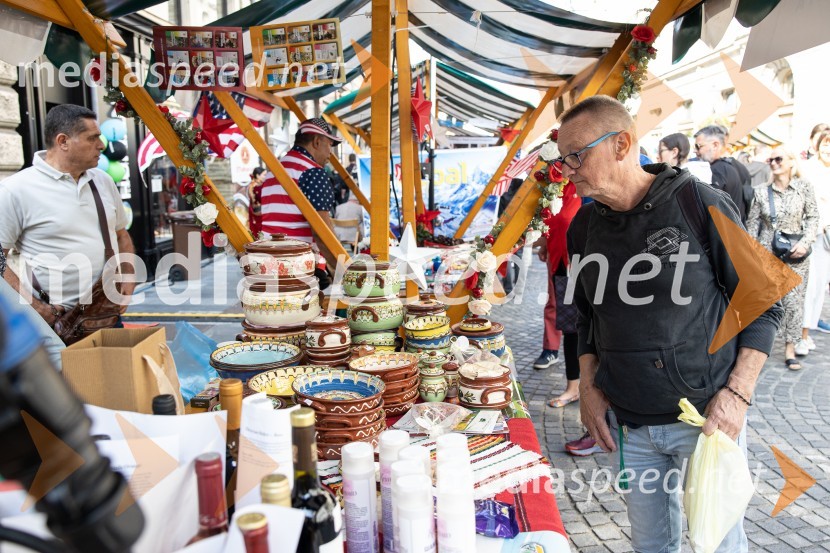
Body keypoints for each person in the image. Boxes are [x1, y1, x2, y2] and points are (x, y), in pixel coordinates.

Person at [561, 95, 782, 553]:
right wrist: (587, 386)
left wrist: (737, 395)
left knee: (718, 543)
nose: (568, 167)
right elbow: (586, 316)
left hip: (705, 418)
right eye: (563, 157)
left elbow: (762, 302)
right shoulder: (582, 227)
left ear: (621, 144)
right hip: (632, 424)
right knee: (652, 546)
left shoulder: (697, 201)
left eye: (577, 154)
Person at [0, 104, 136, 333]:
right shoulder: (15, 189)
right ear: (63, 141)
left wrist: (128, 283)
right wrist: (36, 307)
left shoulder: (103, 181)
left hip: (106, 314)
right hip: (54, 323)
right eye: (92, 138)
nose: (101, 145)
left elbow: (121, 235)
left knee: (118, 370)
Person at [746, 145, 818, 369]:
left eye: (779, 159)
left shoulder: (804, 187)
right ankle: (756, 349)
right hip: (767, 251)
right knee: (764, 302)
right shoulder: (760, 191)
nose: (774, 163)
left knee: (794, 302)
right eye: (771, 160)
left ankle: (790, 349)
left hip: (796, 253)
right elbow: (752, 224)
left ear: (791, 162)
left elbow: (813, 218)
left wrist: (805, 244)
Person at [260, 117, 342, 276]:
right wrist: (342, 270)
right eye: (329, 145)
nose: (330, 153)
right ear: (317, 142)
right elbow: (322, 232)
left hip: (267, 263)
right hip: (297, 268)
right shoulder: (312, 172)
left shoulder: (274, 171)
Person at [797, 130, 830, 354]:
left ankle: (811, 325)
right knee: (809, 286)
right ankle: (801, 335)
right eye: (825, 145)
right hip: (810, 234)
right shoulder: (808, 169)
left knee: (821, 286)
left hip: (827, 237)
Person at [694, 125, 750, 222]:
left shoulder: (715, 170)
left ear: (715, 145)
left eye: (698, 146)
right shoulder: (741, 167)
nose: (695, 151)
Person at [247, 167, 266, 238]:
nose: (265, 177)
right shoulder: (253, 186)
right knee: (258, 230)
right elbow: (255, 200)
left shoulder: (261, 184)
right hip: (258, 212)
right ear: (258, 175)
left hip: (262, 210)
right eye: (264, 175)